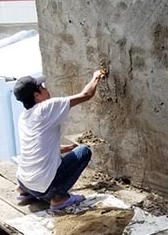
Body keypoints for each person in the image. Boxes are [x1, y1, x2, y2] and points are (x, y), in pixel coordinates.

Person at [12, 67, 108, 211]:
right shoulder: (45, 108)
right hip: (46, 188)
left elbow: (41, 149)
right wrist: (96, 76)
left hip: (24, 181)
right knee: (84, 151)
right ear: (36, 95)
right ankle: (59, 199)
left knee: (48, 162)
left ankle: (25, 191)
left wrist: (69, 148)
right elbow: (86, 94)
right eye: (42, 87)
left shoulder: (24, 117)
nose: (46, 89)